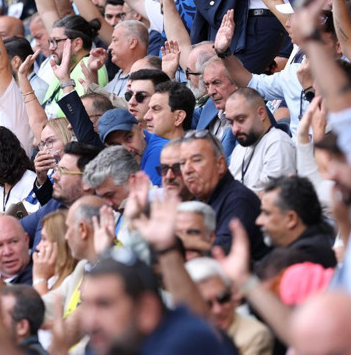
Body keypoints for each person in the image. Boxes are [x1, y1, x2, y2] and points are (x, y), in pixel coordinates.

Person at [79, 258, 236, 355]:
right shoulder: (102, 345)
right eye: (86, 305)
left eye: (104, 304)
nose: (91, 322)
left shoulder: (186, 342)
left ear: (146, 310)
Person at [179, 130, 268, 260]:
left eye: (196, 160)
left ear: (220, 164)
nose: (187, 169)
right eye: (182, 163)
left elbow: (223, 252)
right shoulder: (200, 199)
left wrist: (178, 242)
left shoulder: (239, 200)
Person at [185, 258, 274, 355]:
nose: (217, 310)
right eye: (207, 304)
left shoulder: (255, 336)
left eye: (223, 298)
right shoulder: (182, 336)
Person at [225, 88, 296, 193]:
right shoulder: (239, 149)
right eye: (231, 122)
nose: (235, 129)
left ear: (261, 113)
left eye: (241, 120)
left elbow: (271, 196)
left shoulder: (278, 143)